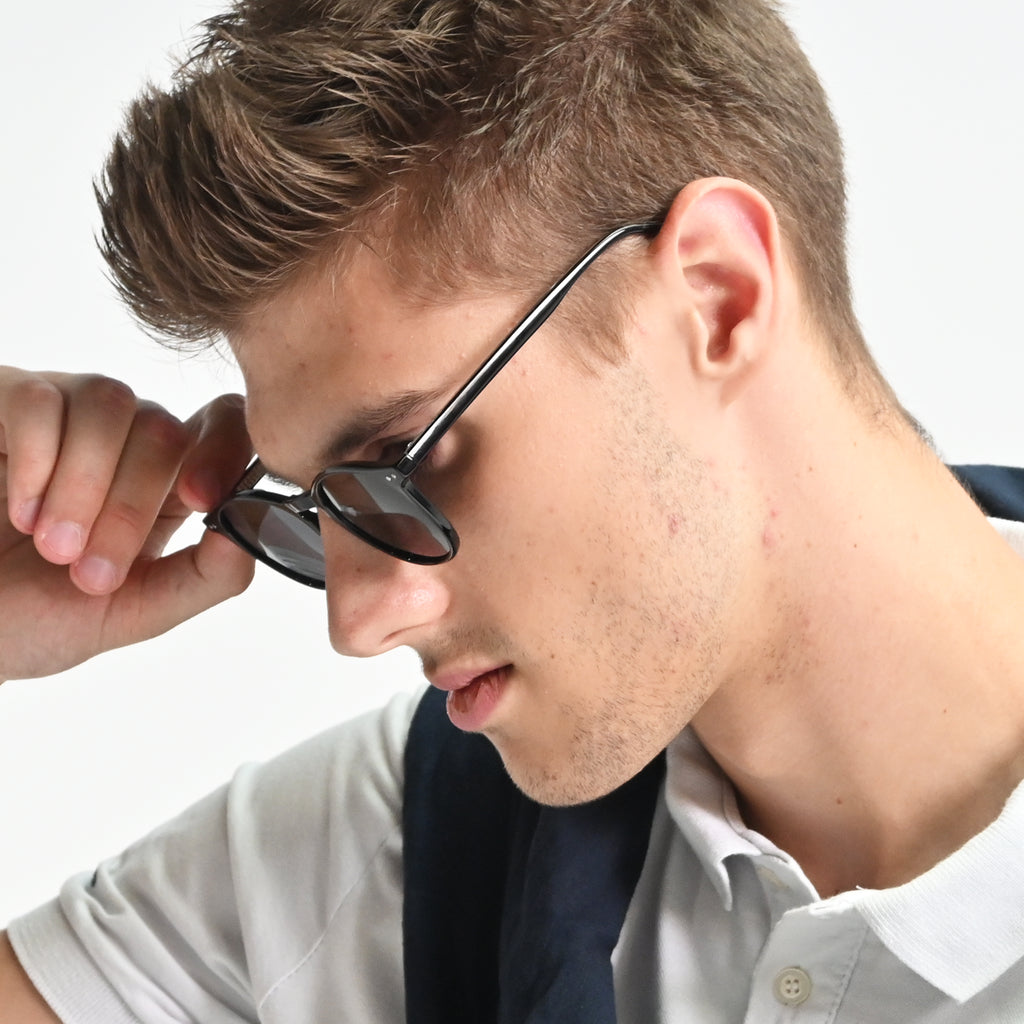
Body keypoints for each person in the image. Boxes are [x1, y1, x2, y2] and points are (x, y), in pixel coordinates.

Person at [2, 0, 1024, 1020]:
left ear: (718, 296)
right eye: (318, 505)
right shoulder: (405, 847)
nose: (356, 623)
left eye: (406, 463)